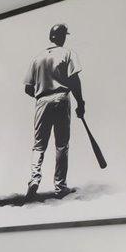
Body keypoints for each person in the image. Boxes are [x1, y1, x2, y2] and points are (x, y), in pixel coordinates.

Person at [24, 22, 84, 197]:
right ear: (63, 37)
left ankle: (34, 180)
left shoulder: (37, 58)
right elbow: (74, 81)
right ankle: (60, 186)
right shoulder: (68, 53)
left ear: (50, 37)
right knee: (61, 145)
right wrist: (80, 103)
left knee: (39, 145)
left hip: (42, 101)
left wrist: (43, 96)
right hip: (61, 99)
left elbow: (28, 88)